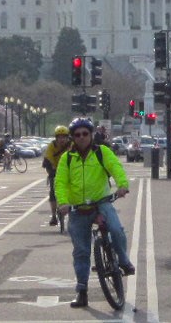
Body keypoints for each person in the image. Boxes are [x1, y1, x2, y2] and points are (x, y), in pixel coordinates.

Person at [55, 117, 134, 308]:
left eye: (85, 134)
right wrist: (63, 203)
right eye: (77, 135)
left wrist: (122, 185)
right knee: (81, 251)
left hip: (101, 202)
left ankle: (123, 261)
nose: (81, 137)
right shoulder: (67, 159)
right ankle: (81, 291)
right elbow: (61, 183)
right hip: (78, 208)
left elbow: (116, 167)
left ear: (91, 135)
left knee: (116, 230)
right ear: (73, 138)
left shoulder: (102, 152)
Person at [42, 126, 71, 226]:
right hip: (55, 170)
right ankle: (54, 215)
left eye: (64, 137)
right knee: (53, 192)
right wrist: (51, 171)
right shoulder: (52, 146)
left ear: (68, 137)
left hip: (69, 170)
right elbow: (48, 158)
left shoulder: (72, 145)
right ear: (56, 138)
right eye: (59, 137)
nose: (62, 139)